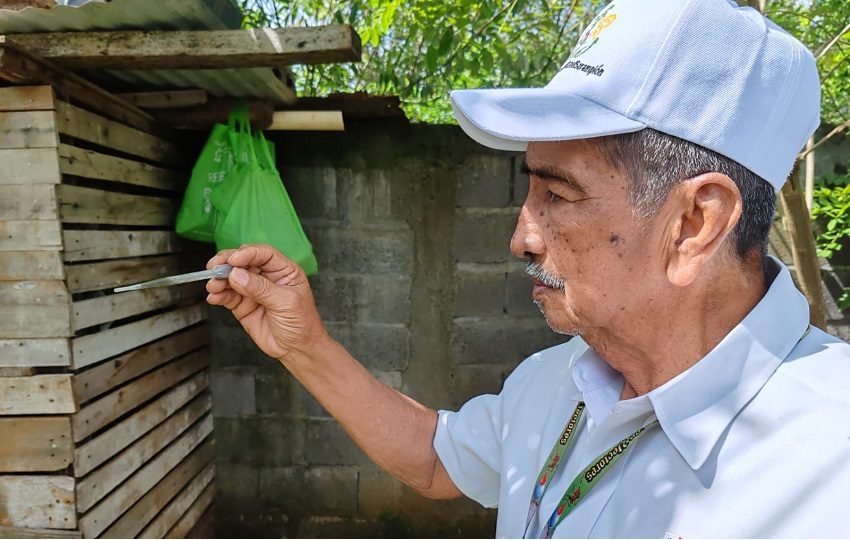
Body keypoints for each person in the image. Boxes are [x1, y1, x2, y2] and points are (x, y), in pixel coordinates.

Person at [205, 0, 850, 537]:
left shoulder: (828, 463)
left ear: (693, 224)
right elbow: (436, 460)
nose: (521, 237)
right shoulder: (561, 379)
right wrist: (304, 345)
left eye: (558, 195)